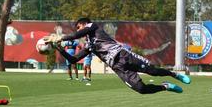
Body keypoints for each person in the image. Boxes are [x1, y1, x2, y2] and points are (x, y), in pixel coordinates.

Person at [45, 18, 191, 94]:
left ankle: (174, 75)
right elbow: (73, 59)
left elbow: (77, 34)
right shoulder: (89, 45)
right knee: (141, 89)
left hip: (123, 56)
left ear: (84, 24)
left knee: (152, 71)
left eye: (78, 26)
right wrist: (59, 48)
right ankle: (165, 87)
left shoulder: (92, 26)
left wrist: (61, 37)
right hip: (118, 68)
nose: (78, 30)